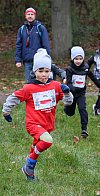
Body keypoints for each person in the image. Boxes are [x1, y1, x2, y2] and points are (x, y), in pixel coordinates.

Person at [2, 49, 73, 180]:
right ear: (34, 72)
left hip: (48, 125)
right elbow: (13, 98)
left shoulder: (56, 86)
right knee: (47, 141)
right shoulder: (29, 88)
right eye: (40, 71)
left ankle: (29, 173)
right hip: (33, 124)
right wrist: (6, 111)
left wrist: (67, 92)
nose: (44, 75)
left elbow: (68, 102)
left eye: (46, 71)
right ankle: (29, 165)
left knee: (37, 144)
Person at [64, 46, 100, 138]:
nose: (78, 61)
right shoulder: (69, 69)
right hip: (72, 93)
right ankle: (67, 108)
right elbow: (68, 83)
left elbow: (92, 77)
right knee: (70, 113)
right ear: (72, 58)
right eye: (76, 59)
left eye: (80, 59)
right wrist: (73, 89)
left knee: (82, 109)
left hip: (81, 94)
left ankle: (84, 129)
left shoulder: (85, 68)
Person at [15, 7, 51, 83]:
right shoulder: (22, 29)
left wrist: (48, 58)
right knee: (29, 82)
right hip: (27, 60)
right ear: (25, 16)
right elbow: (19, 45)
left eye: (32, 14)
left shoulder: (40, 28)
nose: (30, 16)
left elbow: (46, 44)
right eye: (28, 14)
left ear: (35, 16)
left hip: (39, 60)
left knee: (40, 81)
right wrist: (18, 59)